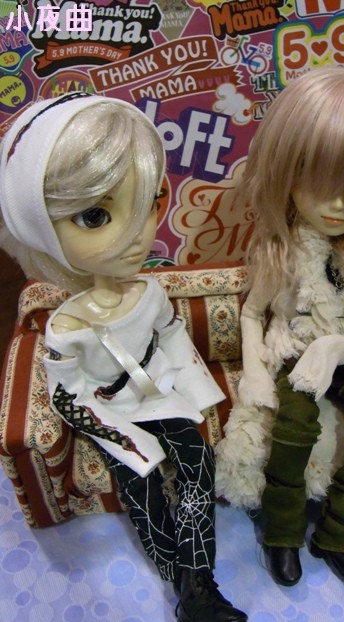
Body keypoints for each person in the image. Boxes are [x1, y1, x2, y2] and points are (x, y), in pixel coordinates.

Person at [0, 93, 247, 622]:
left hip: (159, 396)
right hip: (110, 410)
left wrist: (198, 396)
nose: (135, 236)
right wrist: (121, 436)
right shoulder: (66, 325)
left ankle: (199, 579)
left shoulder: (149, 292)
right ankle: (184, 584)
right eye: (96, 216)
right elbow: (68, 396)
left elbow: (173, 337)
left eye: (149, 204)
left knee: (197, 460)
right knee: (141, 480)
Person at [215, 67, 344, 589]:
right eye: (321, 183)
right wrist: (256, 373)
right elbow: (253, 313)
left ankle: (340, 533)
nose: (340, 205)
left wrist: (339, 346)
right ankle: (282, 531)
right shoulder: (282, 251)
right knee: (297, 422)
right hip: (296, 359)